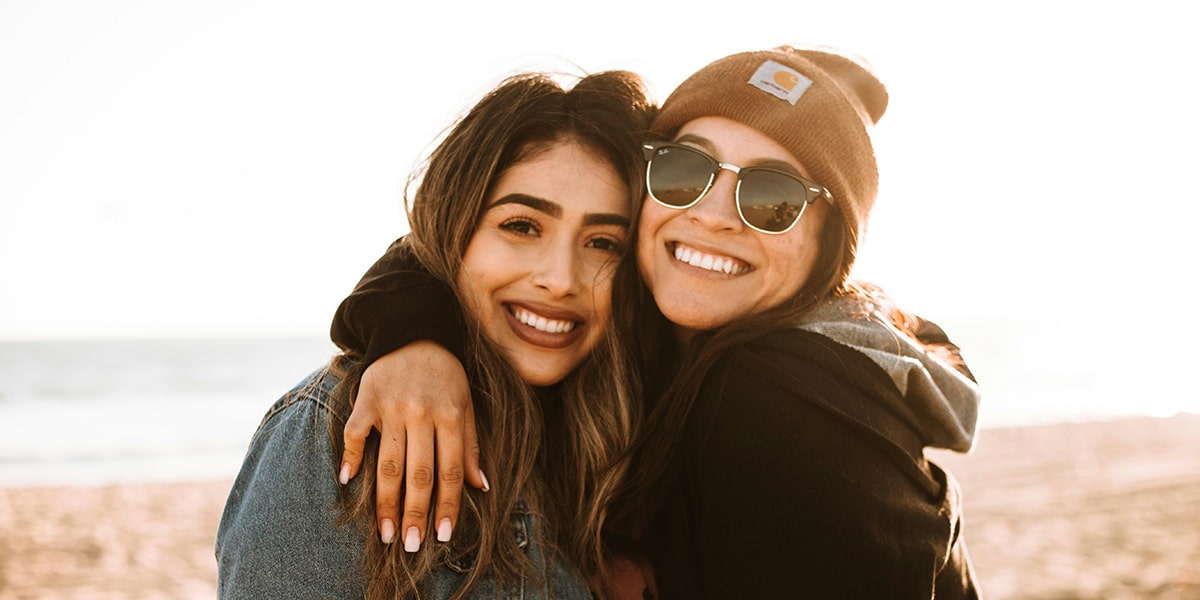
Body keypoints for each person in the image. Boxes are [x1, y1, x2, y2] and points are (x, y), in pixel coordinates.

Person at [332, 45, 982, 598]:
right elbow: (447, 239)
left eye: (772, 197)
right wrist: (419, 340)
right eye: (685, 171)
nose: (714, 216)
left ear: (827, 249)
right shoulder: (645, 319)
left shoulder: (783, 398)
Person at [215, 68, 656, 599]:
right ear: (453, 231)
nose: (560, 280)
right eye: (521, 226)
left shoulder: (612, 442)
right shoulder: (343, 431)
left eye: (603, 243)